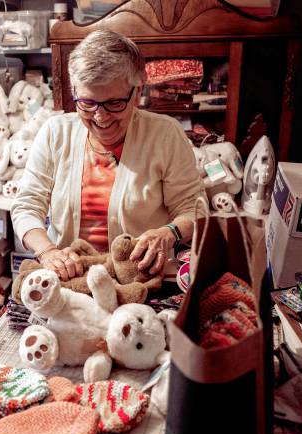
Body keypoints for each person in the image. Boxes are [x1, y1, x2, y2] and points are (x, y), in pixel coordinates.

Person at [11, 30, 206, 282]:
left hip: (138, 280)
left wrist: (168, 233)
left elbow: (195, 208)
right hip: (73, 279)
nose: (101, 117)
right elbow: (26, 205)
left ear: (137, 91)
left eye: (115, 103)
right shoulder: (55, 132)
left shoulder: (165, 134)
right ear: (74, 91)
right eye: (88, 103)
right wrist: (49, 252)